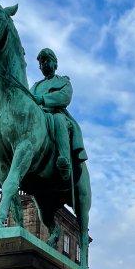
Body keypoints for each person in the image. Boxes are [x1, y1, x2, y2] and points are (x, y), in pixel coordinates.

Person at [32, 48, 88, 181]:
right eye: (40, 62)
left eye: (46, 60)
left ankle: (64, 161)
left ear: (55, 64)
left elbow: (64, 97)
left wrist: (43, 99)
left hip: (55, 114)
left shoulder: (63, 81)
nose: (43, 64)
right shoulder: (35, 86)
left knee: (58, 120)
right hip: (38, 116)